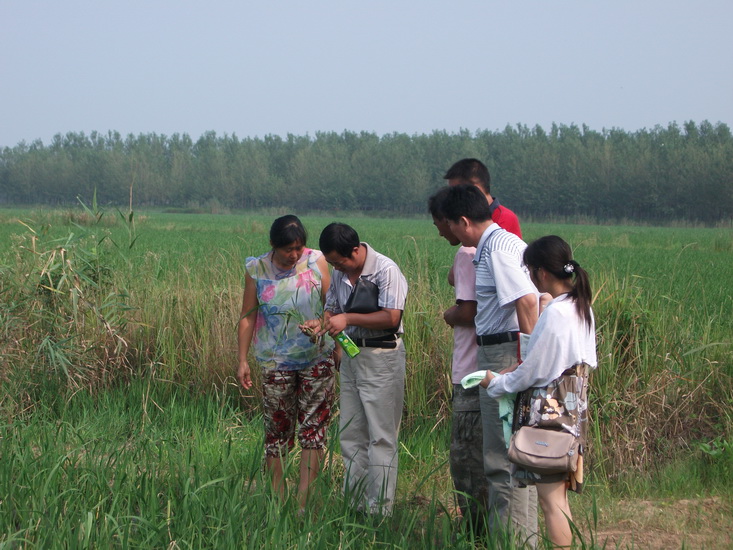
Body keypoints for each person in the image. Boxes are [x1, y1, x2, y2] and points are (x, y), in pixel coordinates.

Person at [479, 235, 597, 548]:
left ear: (541, 272)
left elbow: (536, 371)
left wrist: (497, 383)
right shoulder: (581, 307)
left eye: (529, 270)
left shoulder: (556, 313)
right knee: (558, 498)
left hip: (550, 416)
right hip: (572, 410)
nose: (529, 277)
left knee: (551, 502)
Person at [440, 184, 539, 543]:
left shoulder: (496, 250)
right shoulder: (507, 243)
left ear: (463, 221)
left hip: (503, 352)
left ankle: (510, 541)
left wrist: (528, 360)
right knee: (517, 457)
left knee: (501, 459)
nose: (448, 232)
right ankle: (523, 539)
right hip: (506, 350)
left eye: (450, 224)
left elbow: (527, 301)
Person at [237, 215, 337, 511]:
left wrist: (322, 325)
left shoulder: (316, 261)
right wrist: (242, 359)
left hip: (316, 358)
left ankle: (305, 502)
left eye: (298, 248)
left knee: (314, 430)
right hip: (275, 363)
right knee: (277, 430)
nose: (294, 255)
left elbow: (333, 306)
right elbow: (247, 316)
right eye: (287, 249)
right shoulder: (256, 269)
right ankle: (277, 502)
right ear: (273, 245)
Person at [312, 222, 408, 516]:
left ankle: (379, 510)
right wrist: (322, 324)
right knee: (351, 434)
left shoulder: (385, 270)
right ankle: (354, 505)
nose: (336, 268)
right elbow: (331, 308)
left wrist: (348, 318)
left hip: (382, 356)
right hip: (352, 355)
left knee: (380, 436)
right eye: (331, 263)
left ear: (355, 251)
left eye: (339, 262)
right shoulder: (339, 274)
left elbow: (391, 317)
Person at [428, 187, 488, 532]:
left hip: (469, 368)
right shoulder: (494, 248)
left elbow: (468, 311)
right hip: (492, 365)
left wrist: (449, 314)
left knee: (466, 456)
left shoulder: (467, 253)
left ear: (453, 221)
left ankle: (475, 530)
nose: (439, 231)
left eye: (440, 223)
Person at [444, 158, 522, 239]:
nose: (452, 198)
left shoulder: (503, 218)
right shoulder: (470, 217)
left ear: (473, 189)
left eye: (455, 192)